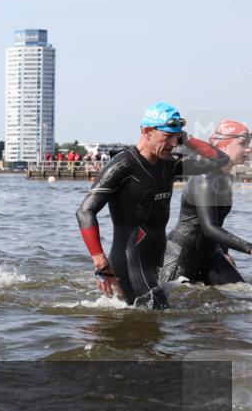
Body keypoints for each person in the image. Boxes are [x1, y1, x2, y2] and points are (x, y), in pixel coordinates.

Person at [75, 102, 230, 309]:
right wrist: (99, 260)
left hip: (155, 260)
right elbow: (85, 211)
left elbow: (220, 159)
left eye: (177, 138)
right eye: (168, 137)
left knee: (154, 327)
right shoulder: (124, 165)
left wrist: (187, 138)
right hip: (130, 261)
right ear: (147, 132)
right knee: (156, 318)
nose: (174, 144)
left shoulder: (169, 164)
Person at [161, 120, 252, 285]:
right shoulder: (205, 177)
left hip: (210, 254)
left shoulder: (226, 177)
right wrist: (249, 247)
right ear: (223, 146)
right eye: (242, 143)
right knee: (169, 306)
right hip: (180, 254)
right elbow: (209, 227)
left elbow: (217, 221)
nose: (248, 149)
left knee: (244, 294)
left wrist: (224, 251)